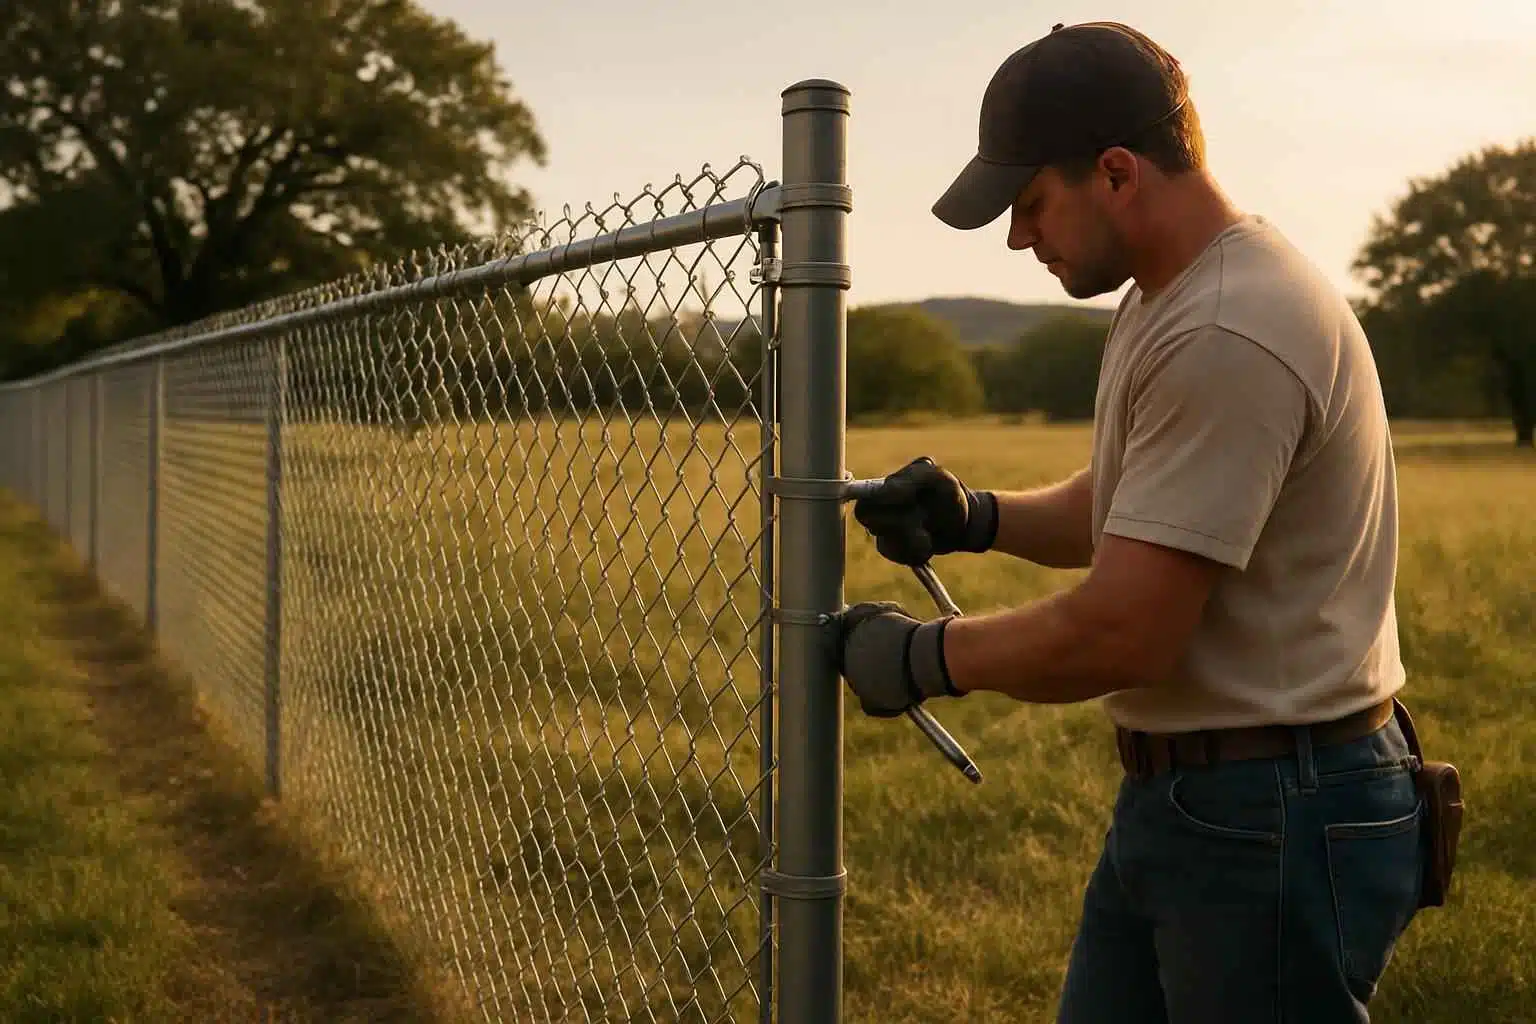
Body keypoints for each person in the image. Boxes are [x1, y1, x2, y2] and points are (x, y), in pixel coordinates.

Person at [834, 20, 1432, 1024]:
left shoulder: (1228, 325)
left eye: (1029, 205)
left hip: (1272, 811)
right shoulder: (1169, 298)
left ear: (1115, 172)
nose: (1019, 238)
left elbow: (1127, 630)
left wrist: (924, 658)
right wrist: (973, 518)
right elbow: (1130, 510)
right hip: (1207, 798)